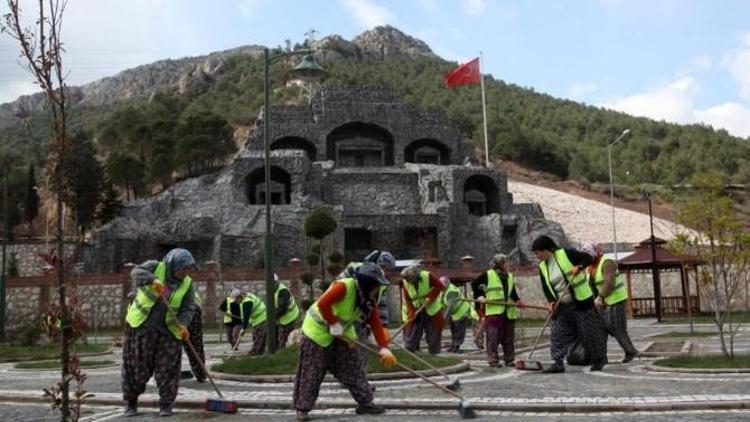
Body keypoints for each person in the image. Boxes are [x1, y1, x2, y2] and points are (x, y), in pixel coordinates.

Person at [293, 262, 397, 421]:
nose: (378, 290)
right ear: (368, 283)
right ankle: (303, 409)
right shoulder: (344, 287)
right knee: (312, 372)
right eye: (376, 285)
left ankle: (365, 402)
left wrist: (384, 347)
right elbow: (323, 304)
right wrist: (333, 323)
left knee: (353, 367)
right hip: (316, 331)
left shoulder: (367, 298)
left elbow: (375, 322)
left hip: (342, 333)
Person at [121, 248, 197, 417]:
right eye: (183, 269)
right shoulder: (155, 266)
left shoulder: (187, 284)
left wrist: (183, 325)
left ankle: (166, 404)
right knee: (136, 368)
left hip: (168, 333)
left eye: (188, 269)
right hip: (141, 328)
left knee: (168, 370)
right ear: (173, 264)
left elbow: (188, 308)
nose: (185, 273)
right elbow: (135, 272)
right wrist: (152, 279)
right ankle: (131, 403)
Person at [531, 235, 607, 373]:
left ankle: (598, 360)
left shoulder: (565, 253)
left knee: (589, 333)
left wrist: (579, 266)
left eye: (537, 253)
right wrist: (551, 301)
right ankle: (557, 362)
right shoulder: (542, 266)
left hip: (582, 302)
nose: (536, 256)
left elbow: (588, 258)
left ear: (546, 250)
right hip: (562, 306)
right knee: (558, 333)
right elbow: (546, 286)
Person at [582, 243, 639, 363]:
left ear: (596, 252)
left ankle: (630, 351)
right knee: (600, 329)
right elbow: (591, 285)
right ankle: (601, 357)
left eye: (589, 256)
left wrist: (601, 296)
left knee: (616, 328)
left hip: (615, 300)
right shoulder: (590, 268)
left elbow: (609, 282)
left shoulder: (607, 262)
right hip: (600, 303)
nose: (587, 259)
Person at [471, 254, 524, 367]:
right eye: (506, 263)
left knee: (508, 338)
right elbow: (475, 284)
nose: (508, 265)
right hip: (494, 312)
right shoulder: (489, 274)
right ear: (499, 265)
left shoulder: (509, 276)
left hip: (508, 312)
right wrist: (480, 296)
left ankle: (509, 359)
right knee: (493, 338)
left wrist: (518, 300)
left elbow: (512, 291)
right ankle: (493, 360)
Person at [400, 265, 445, 355]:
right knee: (413, 329)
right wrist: (412, 312)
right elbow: (407, 299)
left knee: (433, 331)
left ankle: (434, 353)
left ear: (416, 277)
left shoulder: (427, 276)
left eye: (412, 281)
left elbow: (440, 286)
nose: (410, 283)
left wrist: (430, 297)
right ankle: (410, 350)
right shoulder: (405, 281)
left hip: (431, 307)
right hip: (417, 307)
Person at [440, 276, 471, 353]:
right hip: (455, 312)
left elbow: (450, 307)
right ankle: (453, 346)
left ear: (446, 284)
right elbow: (444, 305)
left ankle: (456, 347)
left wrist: (444, 320)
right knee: (453, 330)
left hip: (461, 311)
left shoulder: (451, 292)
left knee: (459, 330)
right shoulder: (444, 290)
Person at [273, 273, 300, 349]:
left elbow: (283, 308)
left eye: (273, 283)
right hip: (281, 317)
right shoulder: (273, 291)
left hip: (289, 317)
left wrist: (273, 316)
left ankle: (283, 352)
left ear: (276, 282)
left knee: (284, 339)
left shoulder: (282, 292)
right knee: (277, 336)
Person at [185, 290, 207, 382]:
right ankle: (200, 374)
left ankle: (200, 373)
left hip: (189, 311)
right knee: (195, 345)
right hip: (189, 309)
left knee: (194, 345)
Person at [239, 290, 268, 355]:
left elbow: (246, 316)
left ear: (239, 297)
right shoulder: (246, 297)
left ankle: (256, 353)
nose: (235, 302)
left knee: (260, 338)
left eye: (236, 300)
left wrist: (243, 329)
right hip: (257, 320)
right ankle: (257, 352)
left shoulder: (247, 302)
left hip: (262, 318)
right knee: (256, 337)